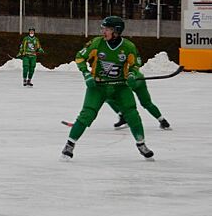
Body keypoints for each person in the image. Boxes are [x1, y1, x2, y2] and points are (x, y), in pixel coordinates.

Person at [61, 16, 154, 160]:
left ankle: (141, 144)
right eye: (103, 28)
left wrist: (131, 74)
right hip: (98, 86)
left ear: (116, 31)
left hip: (120, 87)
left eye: (107, 29)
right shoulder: (97, 43)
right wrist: (86, 74)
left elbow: (135, 63)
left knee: (132, 114)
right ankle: (69, 145)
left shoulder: (128, 46)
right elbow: (80, 57)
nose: (103, 31)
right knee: (87, 114)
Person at [106, 53, 171, 130]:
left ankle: (122, 116)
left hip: (129, 81)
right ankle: (163, 121)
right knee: (146, 103)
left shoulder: (115, 53)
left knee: (109, 97)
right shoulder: (129, 51)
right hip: (139, 78)